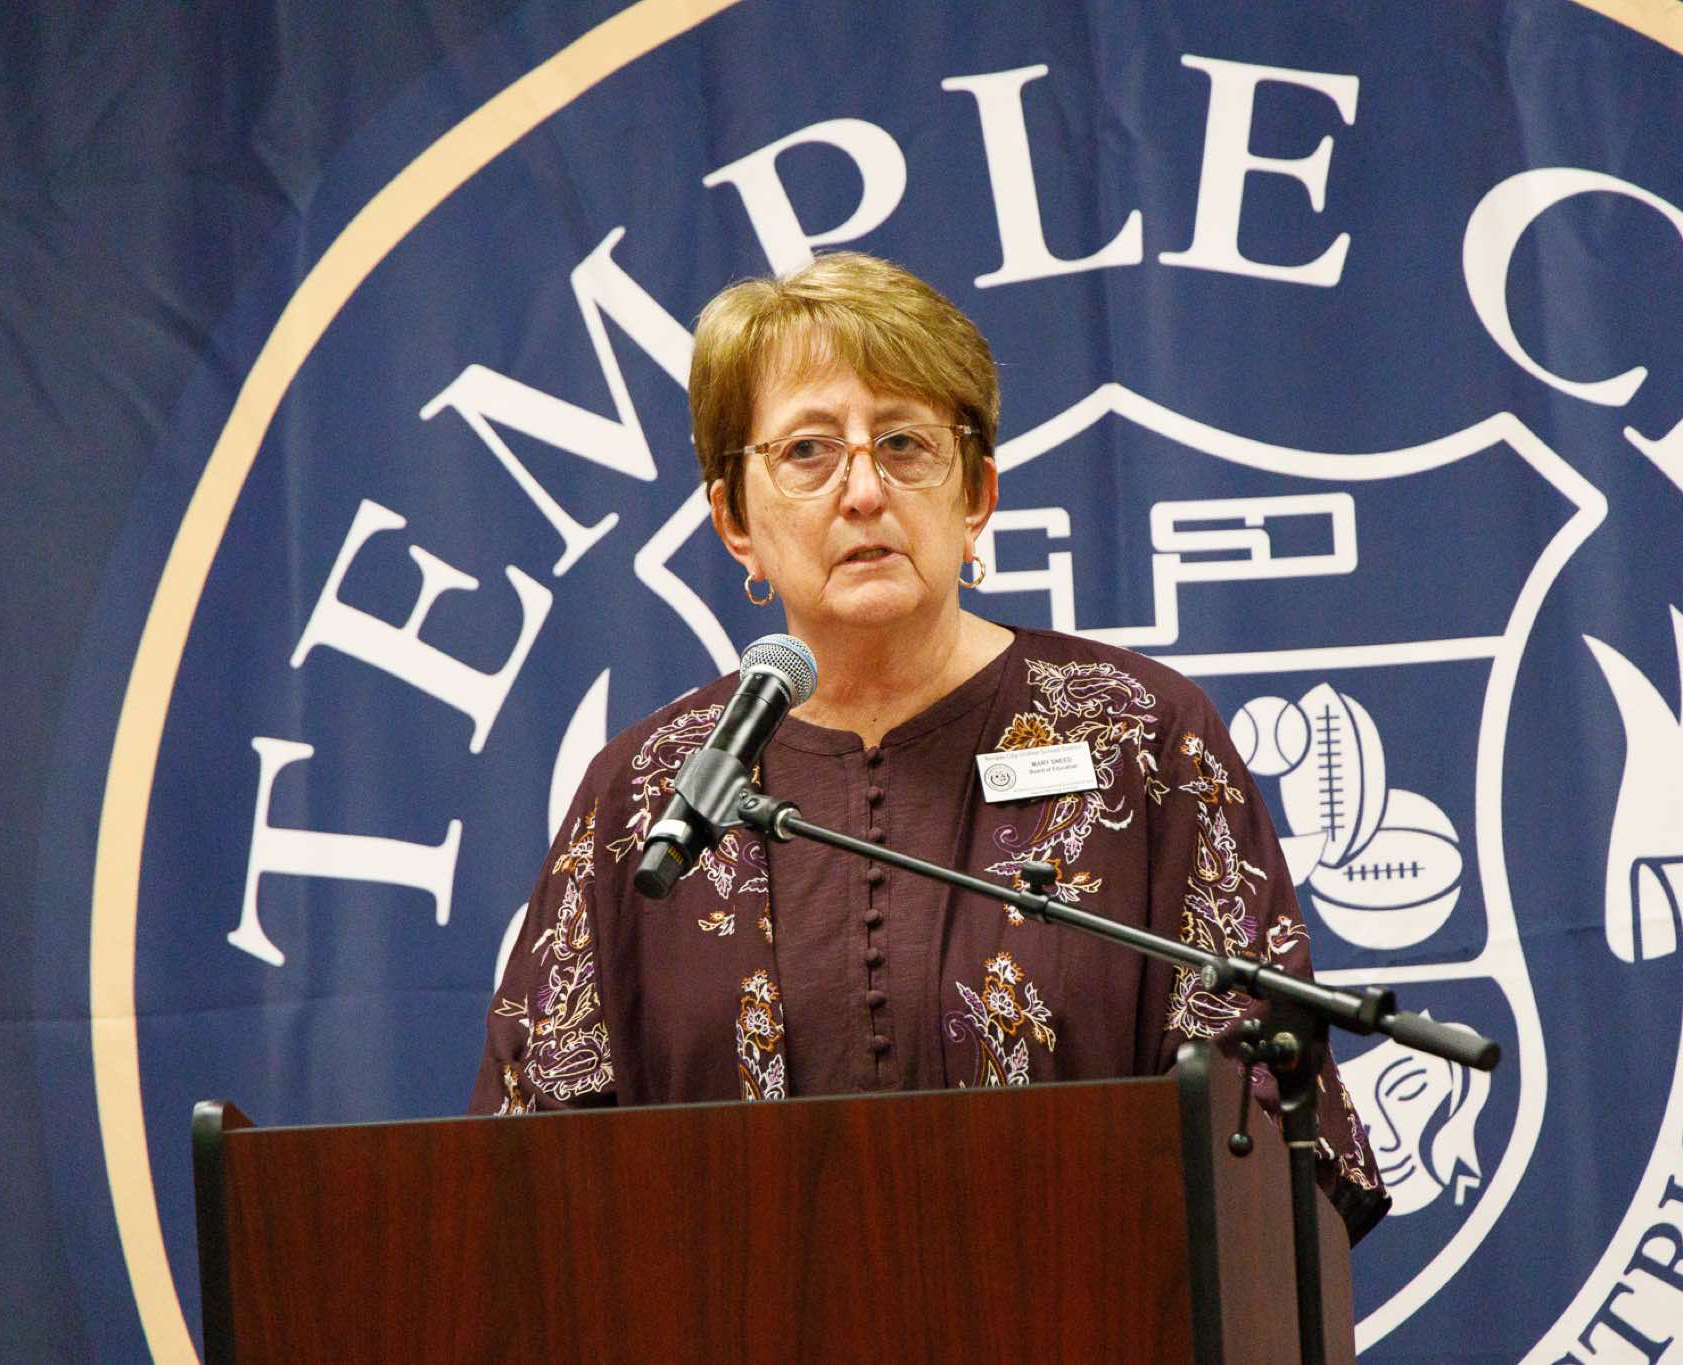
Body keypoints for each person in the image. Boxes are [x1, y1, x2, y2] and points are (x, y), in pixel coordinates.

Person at [469, 252, 1389, 1242]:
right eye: (808, 452)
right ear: (734, 517)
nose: (863, 491)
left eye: (905, 444)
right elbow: (528, 1177)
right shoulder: (649, 792)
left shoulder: (1141, 737)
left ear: (976, 495)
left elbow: (1262, 1131)